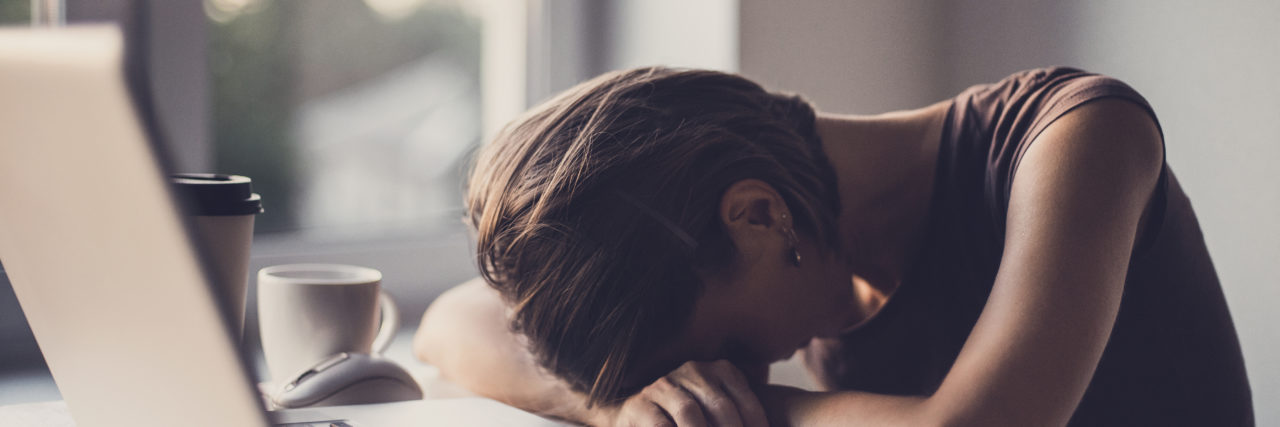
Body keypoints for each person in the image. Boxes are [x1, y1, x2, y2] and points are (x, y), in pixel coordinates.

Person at [413, 66, 1253, 426]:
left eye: (729, 353)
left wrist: (732, 413)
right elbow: (454, 321)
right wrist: (621, 403)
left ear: (756, 214)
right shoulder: (740, 230)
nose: (738, 373)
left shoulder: (1079, 138)